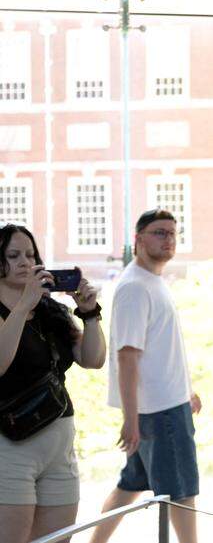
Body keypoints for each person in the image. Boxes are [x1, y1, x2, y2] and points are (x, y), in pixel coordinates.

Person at [89, 210, 202, 543]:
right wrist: (131, 418)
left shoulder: (152, 281)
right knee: (181, 492)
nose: (167, 239)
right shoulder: (135, 287)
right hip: (159, 412)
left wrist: (187, 391)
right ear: (138, 239)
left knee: (130, 485)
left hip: (167, 404)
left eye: (171, 233)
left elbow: (162, 348)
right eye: (158, 233)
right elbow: (126, 356)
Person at [0, 224, 106, 542]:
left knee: (58, 538)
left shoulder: (50, 311)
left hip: (60, 449)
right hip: (11, 447)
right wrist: (22, 306)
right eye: (13, 255)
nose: (24, 262)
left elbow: (93, 359)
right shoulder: (16, 309)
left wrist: (89, 314)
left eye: (30, 255)